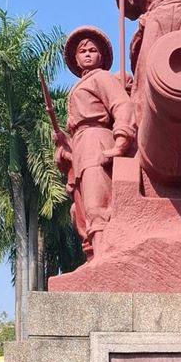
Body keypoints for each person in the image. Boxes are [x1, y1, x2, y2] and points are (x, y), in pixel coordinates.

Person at [53, 28, 135, 254]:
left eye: (92, 50)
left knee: (96, 203)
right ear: (76, 59)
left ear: (101, 56)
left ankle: (104, 256)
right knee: (81, 210)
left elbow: (122, 104)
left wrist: (122, 138)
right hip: (81, 146)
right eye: (83, 51)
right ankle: (95, 255)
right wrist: (64, 143)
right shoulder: (77, 87)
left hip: (96, 141)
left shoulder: (102, 77)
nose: (87, 54)